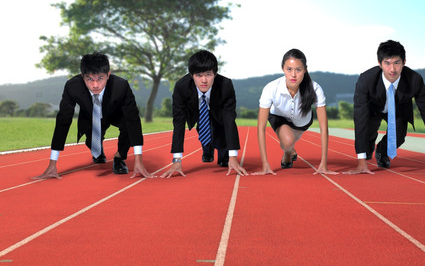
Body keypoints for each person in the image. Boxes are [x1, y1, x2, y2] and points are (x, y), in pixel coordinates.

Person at [344, 40, 425, 175]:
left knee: (399, 136)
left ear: (404, 62)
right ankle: (367, 150)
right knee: (367, 134)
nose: (392, 69)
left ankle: (381, 151)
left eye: (397, 63)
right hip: (373, 109)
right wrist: (361, 160)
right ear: (380, 64)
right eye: (387, 63)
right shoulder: (366, 79)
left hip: (398, 109)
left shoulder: (414, 80)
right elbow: (360, 118)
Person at [33, 53, 154, 179]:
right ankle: (97, 149)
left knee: (128, 126)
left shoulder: (121, 86)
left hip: (114, 114)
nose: (95, 85)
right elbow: (63, 120)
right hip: (90, 117)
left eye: (100, 78)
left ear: (108, 75)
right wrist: (53, 163)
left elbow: (133, 119)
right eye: (89, 79)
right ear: (82, 77)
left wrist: (138, 160)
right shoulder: (72, 87)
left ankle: (119, 157)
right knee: (92, 143)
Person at [161, 50, 248, 178]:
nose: (204, 80)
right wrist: (177, 159)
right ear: (191, 75)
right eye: (199, 75)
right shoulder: (181, 87)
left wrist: (233, 156)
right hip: (197, 111)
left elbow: (230, 120)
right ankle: (207, 150)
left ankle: (222, 154)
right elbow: (178, 122)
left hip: (218, 112)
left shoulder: (226, 85)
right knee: (204, 129)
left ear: (215, 74)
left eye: (208, 74)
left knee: (221, 138)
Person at [253, 48, 337, 176]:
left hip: (302, 121)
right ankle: (288, 151)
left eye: (298, 70)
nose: (293, 75)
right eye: (289, 69)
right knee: (288, 141)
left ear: (305, 70)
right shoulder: (270, 89)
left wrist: (323, 164)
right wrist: (265, 165)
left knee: (290, 141)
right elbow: (260, 128)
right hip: (278, 116)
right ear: (283, 69)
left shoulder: (315, 88)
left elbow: (323, 128)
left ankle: (288, 150)